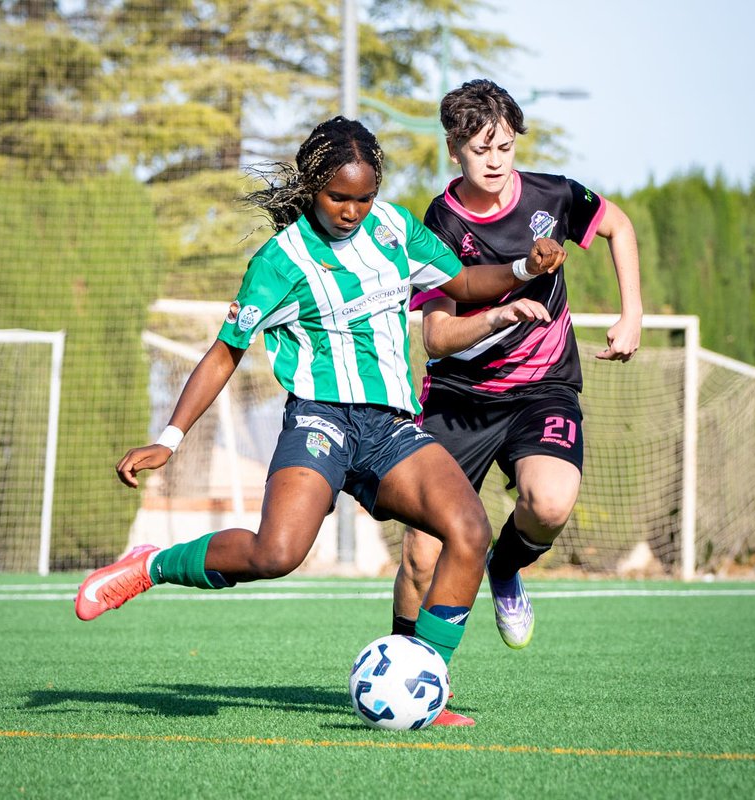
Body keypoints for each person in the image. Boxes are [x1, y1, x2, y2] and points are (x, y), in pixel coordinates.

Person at [74, 117, 567, 690]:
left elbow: (459, 285)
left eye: (364, 197)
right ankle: (151, 565)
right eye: (338, 197)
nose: (352, 210)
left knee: (470, 532)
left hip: (391, 429)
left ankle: (424, 686)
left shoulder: (394, 227)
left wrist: (522, 270)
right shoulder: (278, 263)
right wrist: (169, 438)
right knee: (275, 555)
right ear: (313, 186)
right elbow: (223, 353)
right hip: (320, 421)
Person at [392, 80, 642, 708]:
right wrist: (499, 317)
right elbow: (438, 337)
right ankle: (403, 676)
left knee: (550, 502)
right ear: (454, 151)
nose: (497, 160)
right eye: (481, 150)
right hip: (459, 398)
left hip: (543, 389)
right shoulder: (440, 222)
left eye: (505, 144)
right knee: (423, 554)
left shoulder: (552, 194)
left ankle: (504, 568)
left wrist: (631, 312)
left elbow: (618, 225)